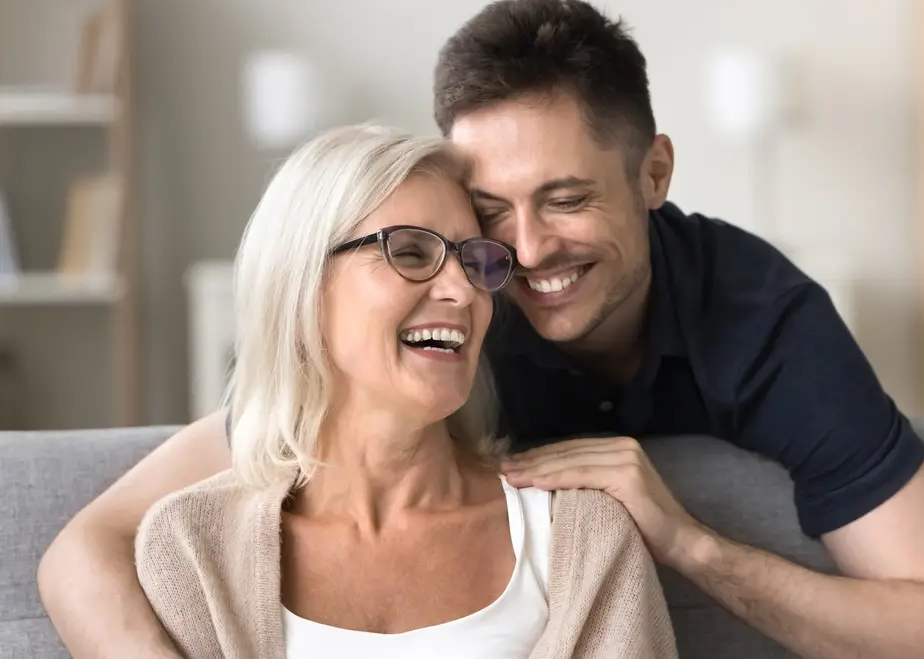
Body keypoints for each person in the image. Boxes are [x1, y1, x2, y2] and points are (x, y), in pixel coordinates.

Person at [38, 0, 924, 658]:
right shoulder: (459, 295)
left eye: (567, 198)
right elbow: (88, 548)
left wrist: (693, 544)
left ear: (655, 174)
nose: (525, 254)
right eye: (490, 211)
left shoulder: (764, 320)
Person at [131, 124, 676, 659]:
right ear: (303, 282)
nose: (464, 291)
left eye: (475, 261)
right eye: (411, 253)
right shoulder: (192, 547)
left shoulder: (578, 538)